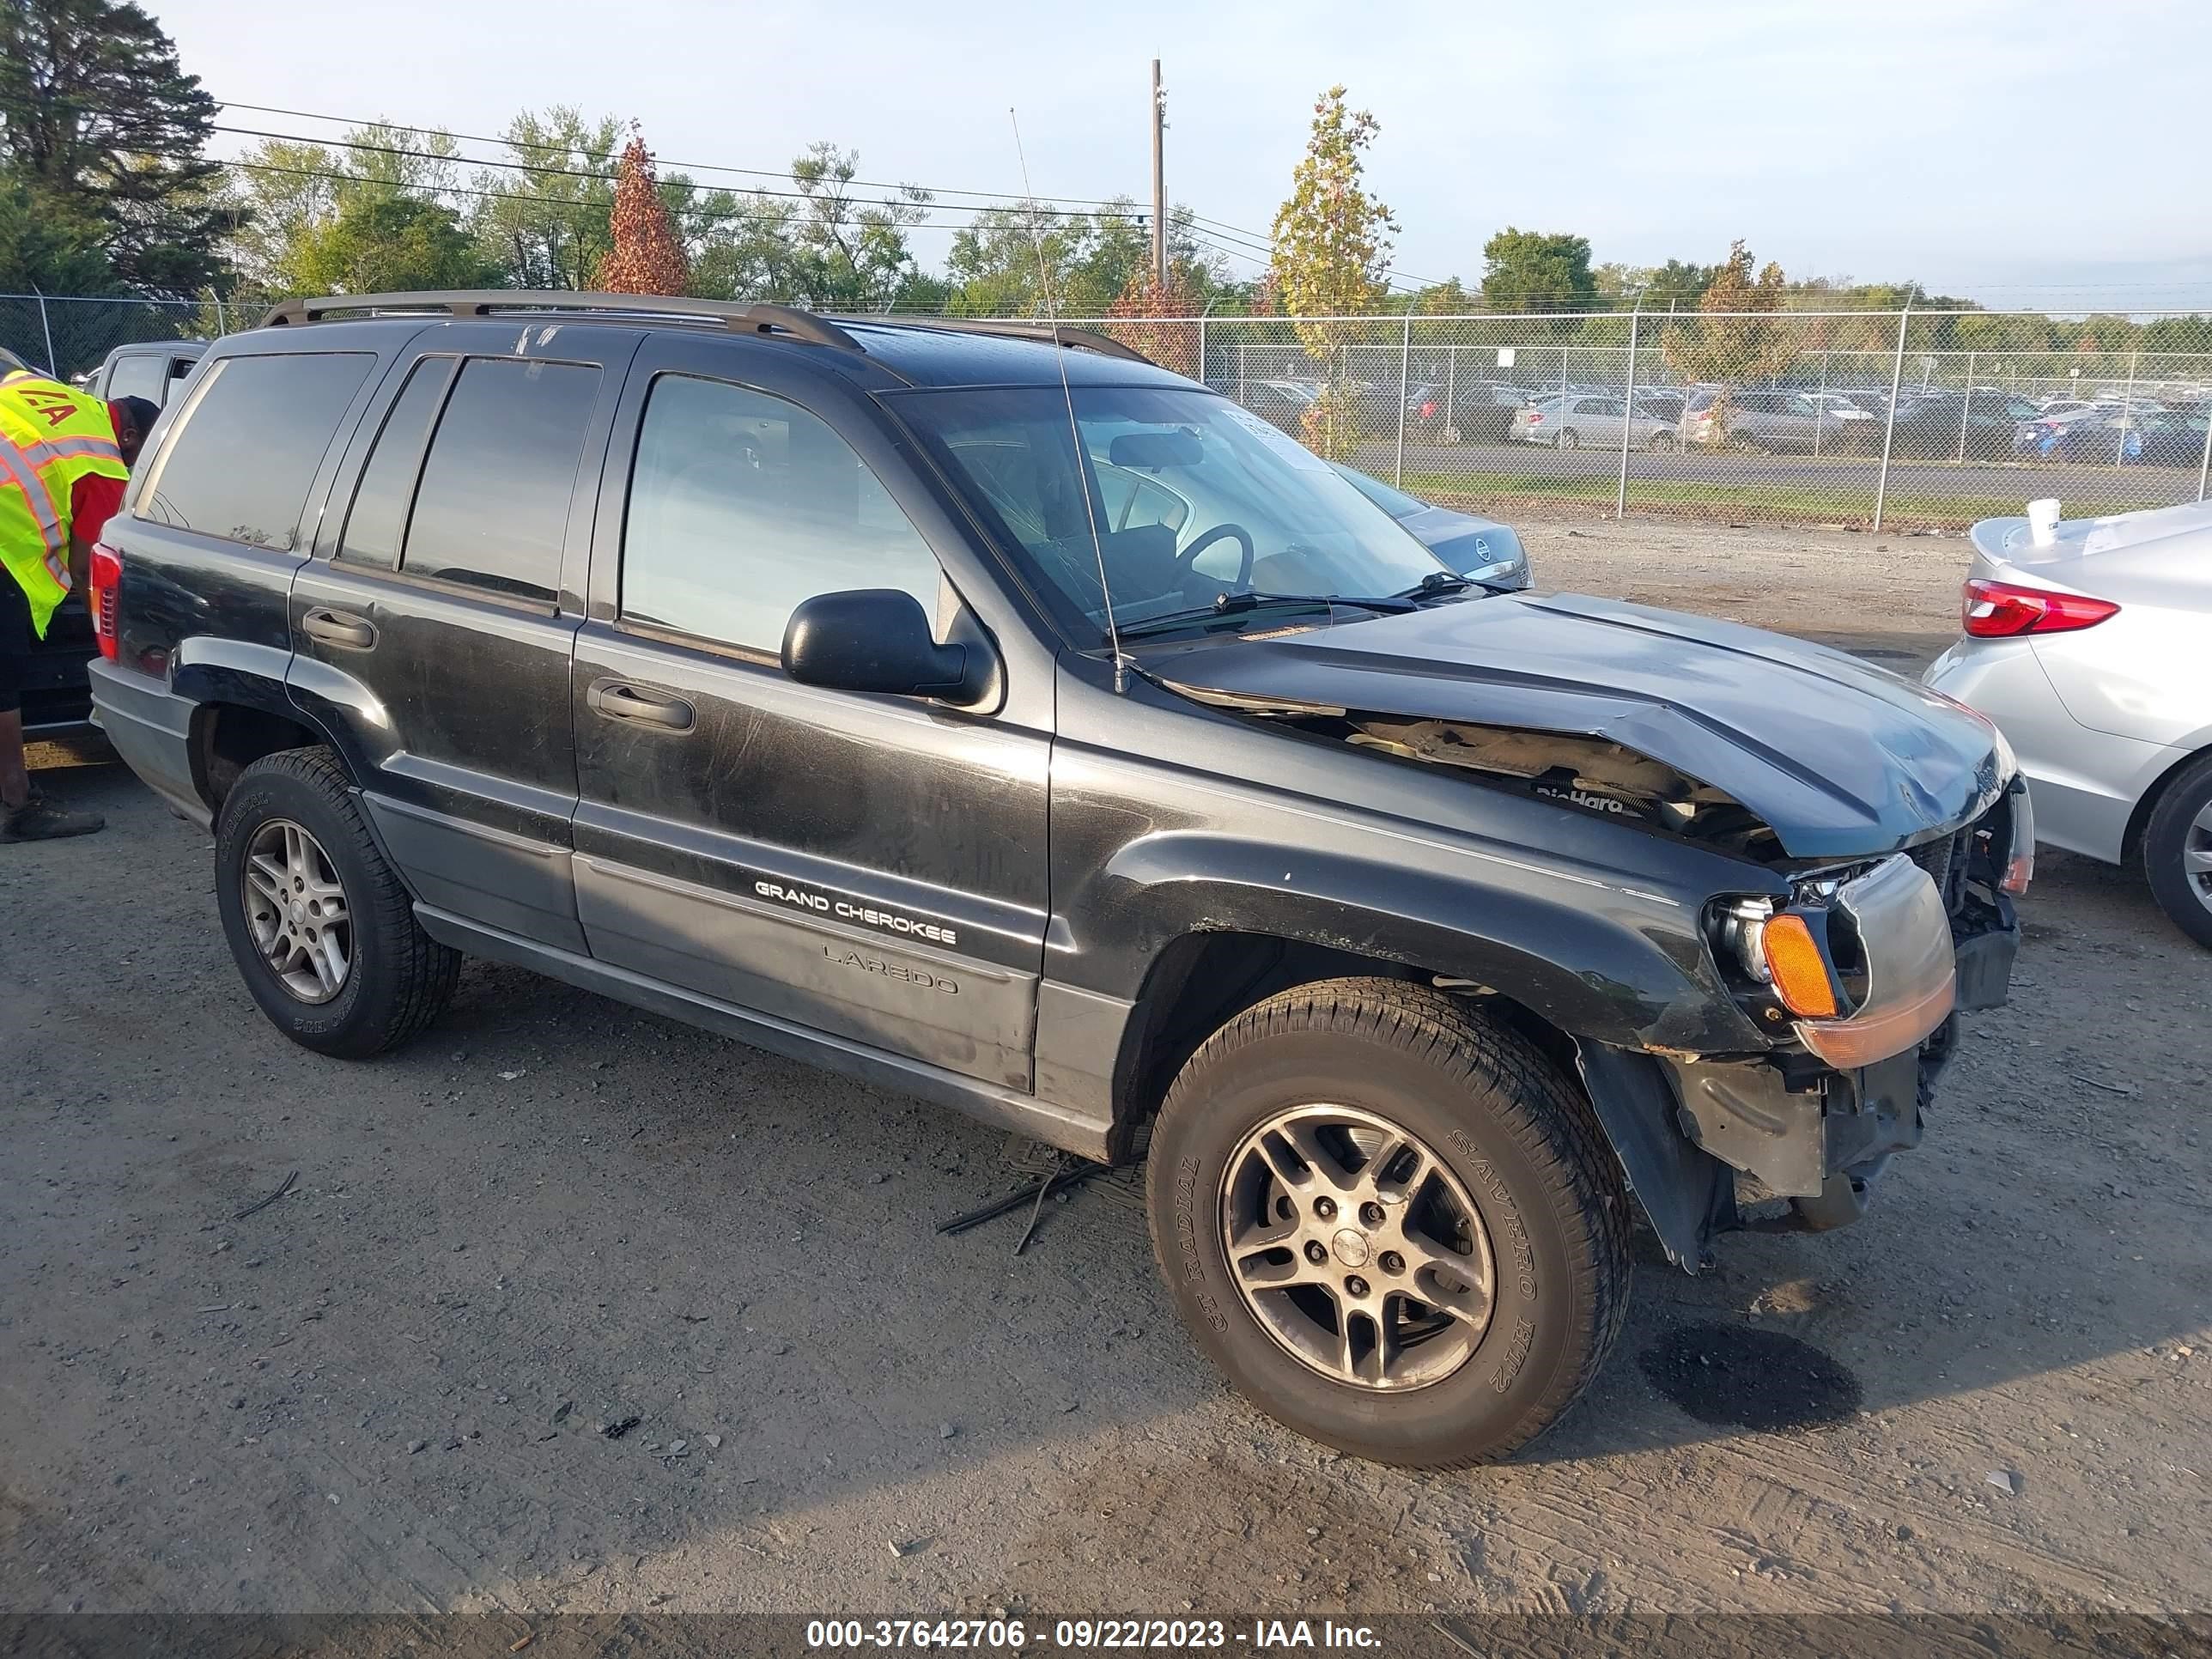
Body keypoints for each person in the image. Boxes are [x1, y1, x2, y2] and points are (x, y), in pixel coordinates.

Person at [0, 368, 159, 842]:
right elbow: (90, 567)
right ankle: (16, 805)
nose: (134, 473)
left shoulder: (41, 387)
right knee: (4, 680)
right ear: (128, 436)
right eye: (140, 460)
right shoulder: (105, 464)